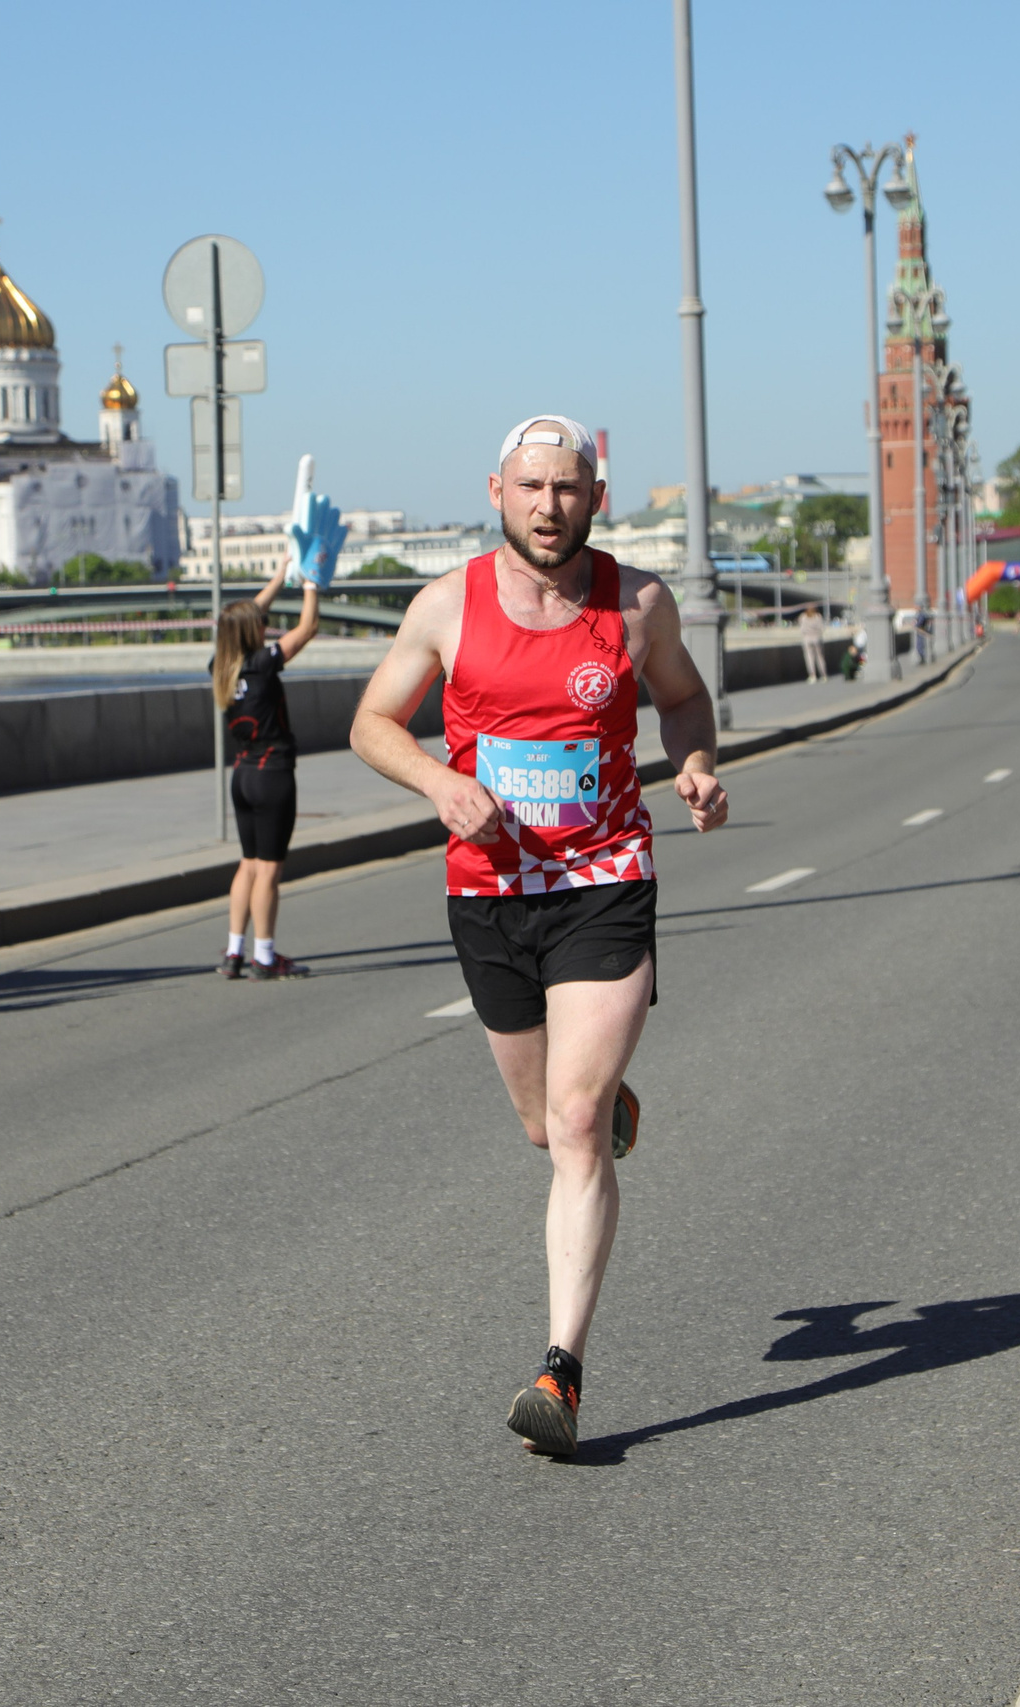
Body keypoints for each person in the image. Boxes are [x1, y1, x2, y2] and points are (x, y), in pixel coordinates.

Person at [351, 414, 729, 1458]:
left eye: (567, 489)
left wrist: (695, 766)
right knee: (541, 1126)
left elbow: (685, 702)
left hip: (604, 879)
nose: (548, 507)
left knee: (574, 1119)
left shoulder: (639, 604)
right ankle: (605, 1106)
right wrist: (439, 782)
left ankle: (560, 1371)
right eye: (530, 487)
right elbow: (372, 723)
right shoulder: (447, 605)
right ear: (497, 492)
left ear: (596, 498)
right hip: (489, 891)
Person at [216, 562, 323, 980]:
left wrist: (280, 575)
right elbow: (308, 628)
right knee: (268, 869)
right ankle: (264, 956)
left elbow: (241, 619)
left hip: (242, 775)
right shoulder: (264, 663)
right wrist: (310, 581)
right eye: (260, 623)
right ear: (252, 631)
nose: (265, 625)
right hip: (272, 774)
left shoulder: (221, 666)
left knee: (248, 864)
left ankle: (233, 952)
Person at [797, 603, 827, 682]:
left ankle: (812, 675)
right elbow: (822, 628)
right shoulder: (818, 616)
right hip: (817, 638)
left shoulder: (803, 617)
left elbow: (801, 628)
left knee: (809, 658)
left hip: (807, 639)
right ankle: (823, 675)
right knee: (820, 657)